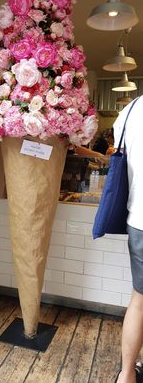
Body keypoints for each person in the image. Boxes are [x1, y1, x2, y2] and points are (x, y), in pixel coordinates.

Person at [114, 96, 143, 383]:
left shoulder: (132, 109)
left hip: (139, 220)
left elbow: (119, 151)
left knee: (139, 300)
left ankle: (126, 375)